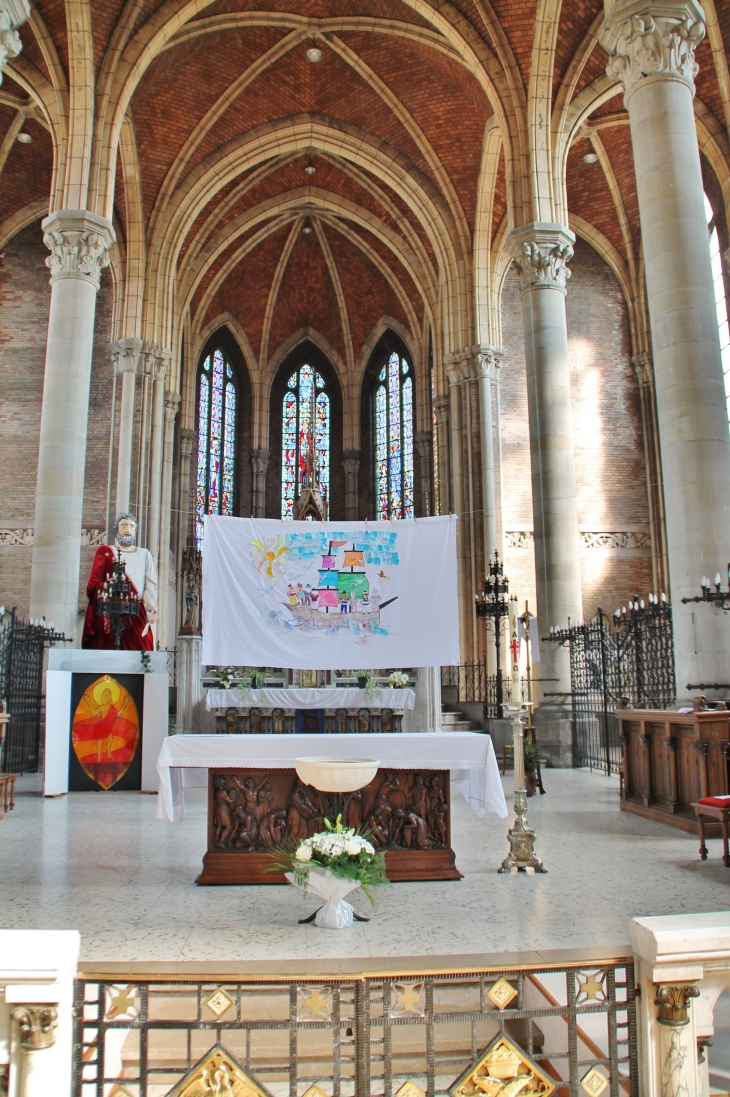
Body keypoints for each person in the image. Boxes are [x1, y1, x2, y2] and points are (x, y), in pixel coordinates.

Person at [81, 513, 158, 650]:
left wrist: (150, 607)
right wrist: (107, 585)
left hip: (136, 610)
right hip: (111, 609)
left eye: (131, 526)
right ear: (116, 529)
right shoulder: (105, 551)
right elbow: (93, 584)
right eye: (124, 526)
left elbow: (151, 583)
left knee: (141, 648)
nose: (128, 530)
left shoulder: (144, 554)